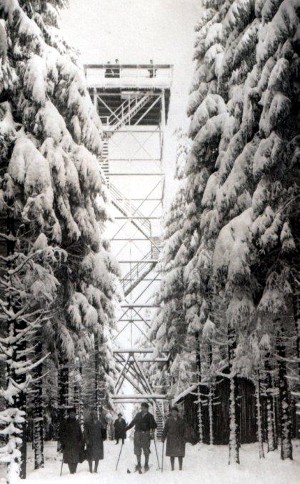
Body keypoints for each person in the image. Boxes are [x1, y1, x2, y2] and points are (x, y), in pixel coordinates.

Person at [125, 402, 157, 472]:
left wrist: (152, 427)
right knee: (137, 449)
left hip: (146, 434)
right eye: (142, 408)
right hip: (137, 434)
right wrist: (126, 428)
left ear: (147, 408)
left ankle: (146, 464)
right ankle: (139, 463)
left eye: (144, 408)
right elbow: (132, 423)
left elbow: (155, 425)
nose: (142, 409)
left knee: (146, 449)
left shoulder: (150, 416)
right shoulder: (138, 415)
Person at [59, 407, 83, 475]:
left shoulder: (77, 422)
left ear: (75, 414)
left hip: (76, 442)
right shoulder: (65, 422)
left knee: (76, 457)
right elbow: (61, 433)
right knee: (69, 457)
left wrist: (81, 440)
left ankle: (74, 470)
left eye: (74, 413)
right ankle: (71, 471)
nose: (72, 414)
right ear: (69, 414)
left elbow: (80, 432)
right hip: (68, 443)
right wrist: (62, 442)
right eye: (71, 413)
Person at [162, 406, 185, 471]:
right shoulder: (168, 420)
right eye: (173, 412)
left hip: (179, 439)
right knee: (172, 454)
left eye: (175, 412)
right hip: (171, 439)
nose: (174, 413)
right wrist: (163, 437)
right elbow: (165, 429)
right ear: (171, 413)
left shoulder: (181, 420)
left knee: (180, 453)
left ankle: (180, 468)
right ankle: (172, 468)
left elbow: (184, 429)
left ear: (177, 412)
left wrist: (184, 437)